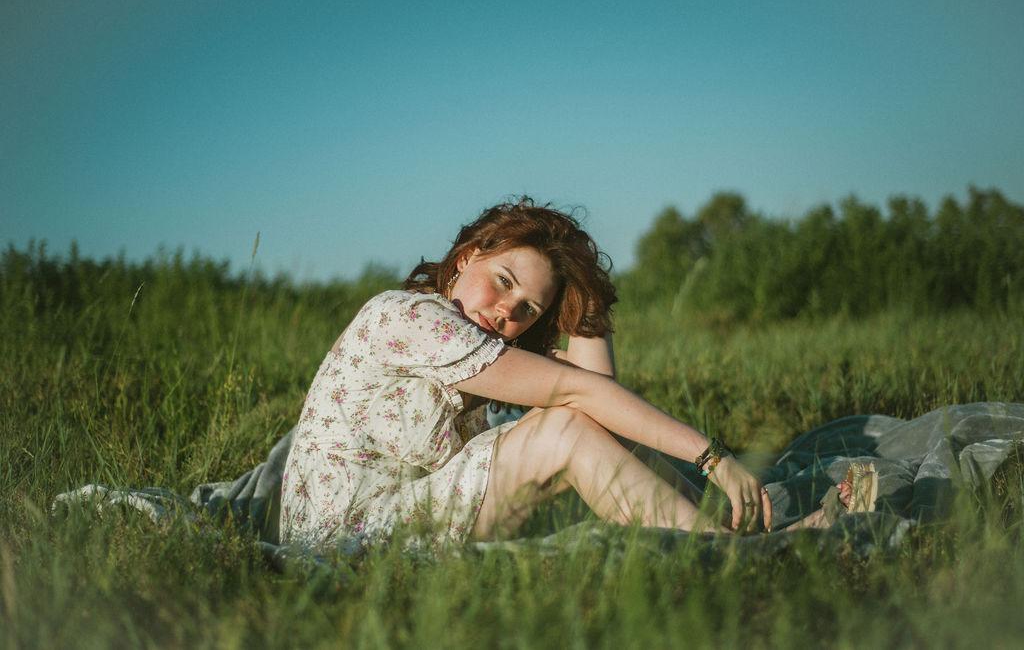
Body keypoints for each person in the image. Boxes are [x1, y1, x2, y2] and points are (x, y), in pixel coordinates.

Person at [279, 198, 870, 550]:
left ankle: (739, 531)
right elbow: (578, 389)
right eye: (503, 281)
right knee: (565, 429)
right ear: (463, 260)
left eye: (529, 309)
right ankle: (742, 558)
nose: (507, 312)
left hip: (405, 516)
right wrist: (712, 456)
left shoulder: (483, 349)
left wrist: (583, 298)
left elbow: (599, 393)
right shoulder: (411, 317)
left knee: (586, 420)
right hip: (344, 539)